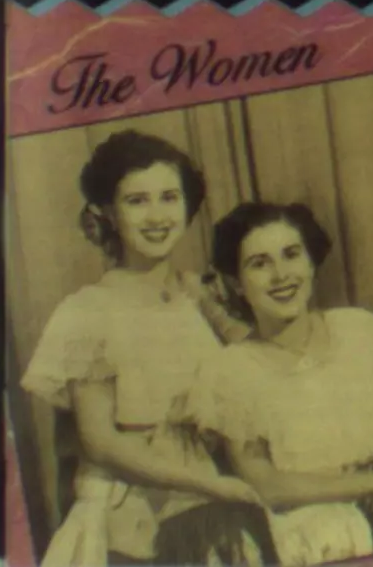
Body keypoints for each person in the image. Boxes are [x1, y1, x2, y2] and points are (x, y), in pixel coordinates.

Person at [20, 130, 279, 566]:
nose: (157, 216)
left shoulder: (194, 297)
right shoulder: (88, 311)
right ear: (108, 212)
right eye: (137, 201)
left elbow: (263, 373)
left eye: (169, 197)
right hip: (131, 523)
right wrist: (210, 485)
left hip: (207, 505)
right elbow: (100, 443)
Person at [187, 202, 373, 566]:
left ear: (310, 263)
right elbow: (265, 485)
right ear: (238, 282)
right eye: (259, 263)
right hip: (315, 527)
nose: (281, 275)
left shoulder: (360, 330)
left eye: (291, 255)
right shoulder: (232, 371)